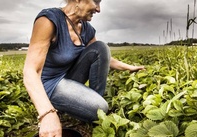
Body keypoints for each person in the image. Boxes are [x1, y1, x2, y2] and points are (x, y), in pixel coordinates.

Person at [23, 0, 144, 136]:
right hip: (49, 84)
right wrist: (47, 114)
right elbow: (31, 71)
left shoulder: (86, 28)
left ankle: (89, 106)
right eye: (96, 1)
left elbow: (103, 56)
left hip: (69, 77)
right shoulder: (48, 20)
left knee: (100, 47)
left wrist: (130, 67)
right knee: (101, 108)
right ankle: (88, 108)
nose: (98, 9)